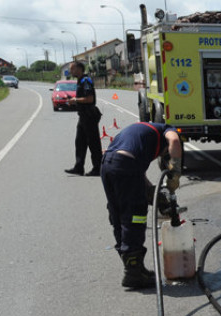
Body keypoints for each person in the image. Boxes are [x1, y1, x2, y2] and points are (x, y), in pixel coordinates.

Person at [100, 122, 183, 289]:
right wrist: (175, 172)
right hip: (124, 164)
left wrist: (153, 193)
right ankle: (134, 273)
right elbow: (174, 140)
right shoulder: (166, 129)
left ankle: (132, 267)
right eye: (166, 153)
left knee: (118, 213)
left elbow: (137, 173)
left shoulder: (140, 135)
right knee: (135, 216)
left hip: (108, 164)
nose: (164, 154)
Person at [64, 62, 103, 176]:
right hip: (83, 116)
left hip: (89, 116)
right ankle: (79, 167)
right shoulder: (80, 81)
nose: (71, 71)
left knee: (93, 143)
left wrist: (75, 100)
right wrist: (74, 101)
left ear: (79, 69)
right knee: (80, 142)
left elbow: (89, 99)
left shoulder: (86, 81)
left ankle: (98, 168)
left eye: (72, 69)